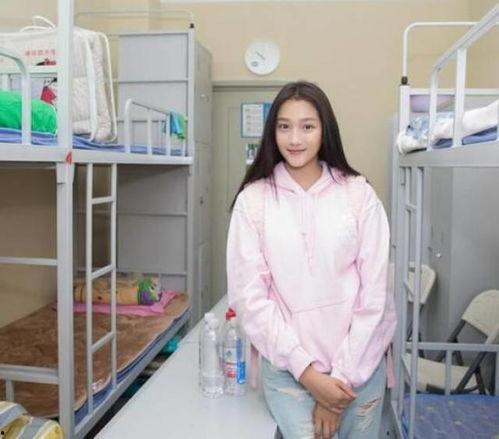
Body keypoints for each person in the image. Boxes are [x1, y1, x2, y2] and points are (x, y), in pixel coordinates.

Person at [226, 81, 396, 439]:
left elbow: (376, 297)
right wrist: (310, 376)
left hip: (360, 369)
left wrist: (338, 382)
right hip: (289, 372)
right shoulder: (253, 201)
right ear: (272, 132)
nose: (294, 139)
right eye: (284, 126)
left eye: (307, 126)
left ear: (324, 130)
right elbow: (249, 300)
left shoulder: (358, 195)